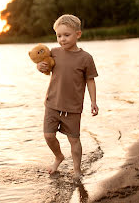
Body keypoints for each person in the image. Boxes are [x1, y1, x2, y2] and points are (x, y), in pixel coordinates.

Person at [37, 14, 99, 181]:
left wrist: (93, 101)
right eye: (58, 36)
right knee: (49, 136)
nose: (62, 39)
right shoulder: (54, 53)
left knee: (74, 140)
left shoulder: (86, 58)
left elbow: (90, 80)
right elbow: (45, 69)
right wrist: (39, 66)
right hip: (52, 103)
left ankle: (77, 171)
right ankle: (58, 157)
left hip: (72, 108)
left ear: (77, 34)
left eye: (66, 35)